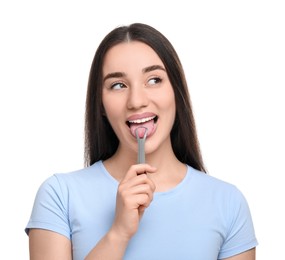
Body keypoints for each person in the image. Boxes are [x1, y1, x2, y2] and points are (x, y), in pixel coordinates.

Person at [25, 23, 258, 259]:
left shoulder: (228, 203)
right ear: (101, 105)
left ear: (176, 91)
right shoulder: (59, 195)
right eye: (118, 85)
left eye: (154, 80)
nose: (136, 101)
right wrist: (118, 234)